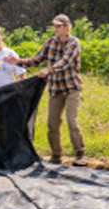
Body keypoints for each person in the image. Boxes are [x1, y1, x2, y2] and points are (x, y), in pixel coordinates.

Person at [5, 14, 86, 166]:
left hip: (72, 88)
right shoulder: (50, 42)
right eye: (54, 26)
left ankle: (80, 154)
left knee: (71, 120)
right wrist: (18, 62)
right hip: (55, 89)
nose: (56, 29)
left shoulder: (74, 42)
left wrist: (49, 70)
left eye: (59, 26)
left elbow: (65, 62)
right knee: (52, 123)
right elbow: (36, 59)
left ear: (67, 27)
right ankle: (56, 155)